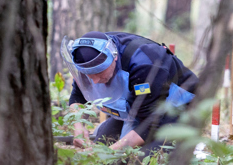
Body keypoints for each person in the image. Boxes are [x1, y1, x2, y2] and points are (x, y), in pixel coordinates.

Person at [61, 31, 198, 154]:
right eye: (89, 75)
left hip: (177, 107)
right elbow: (77, 96)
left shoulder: (145, 65)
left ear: (113, 58)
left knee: (141, 159)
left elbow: (150, 124)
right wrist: (78, 127)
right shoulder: (88, 58)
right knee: (103, 140)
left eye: (99, 73)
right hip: (138, 107)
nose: (95, 81)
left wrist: (109, 154)